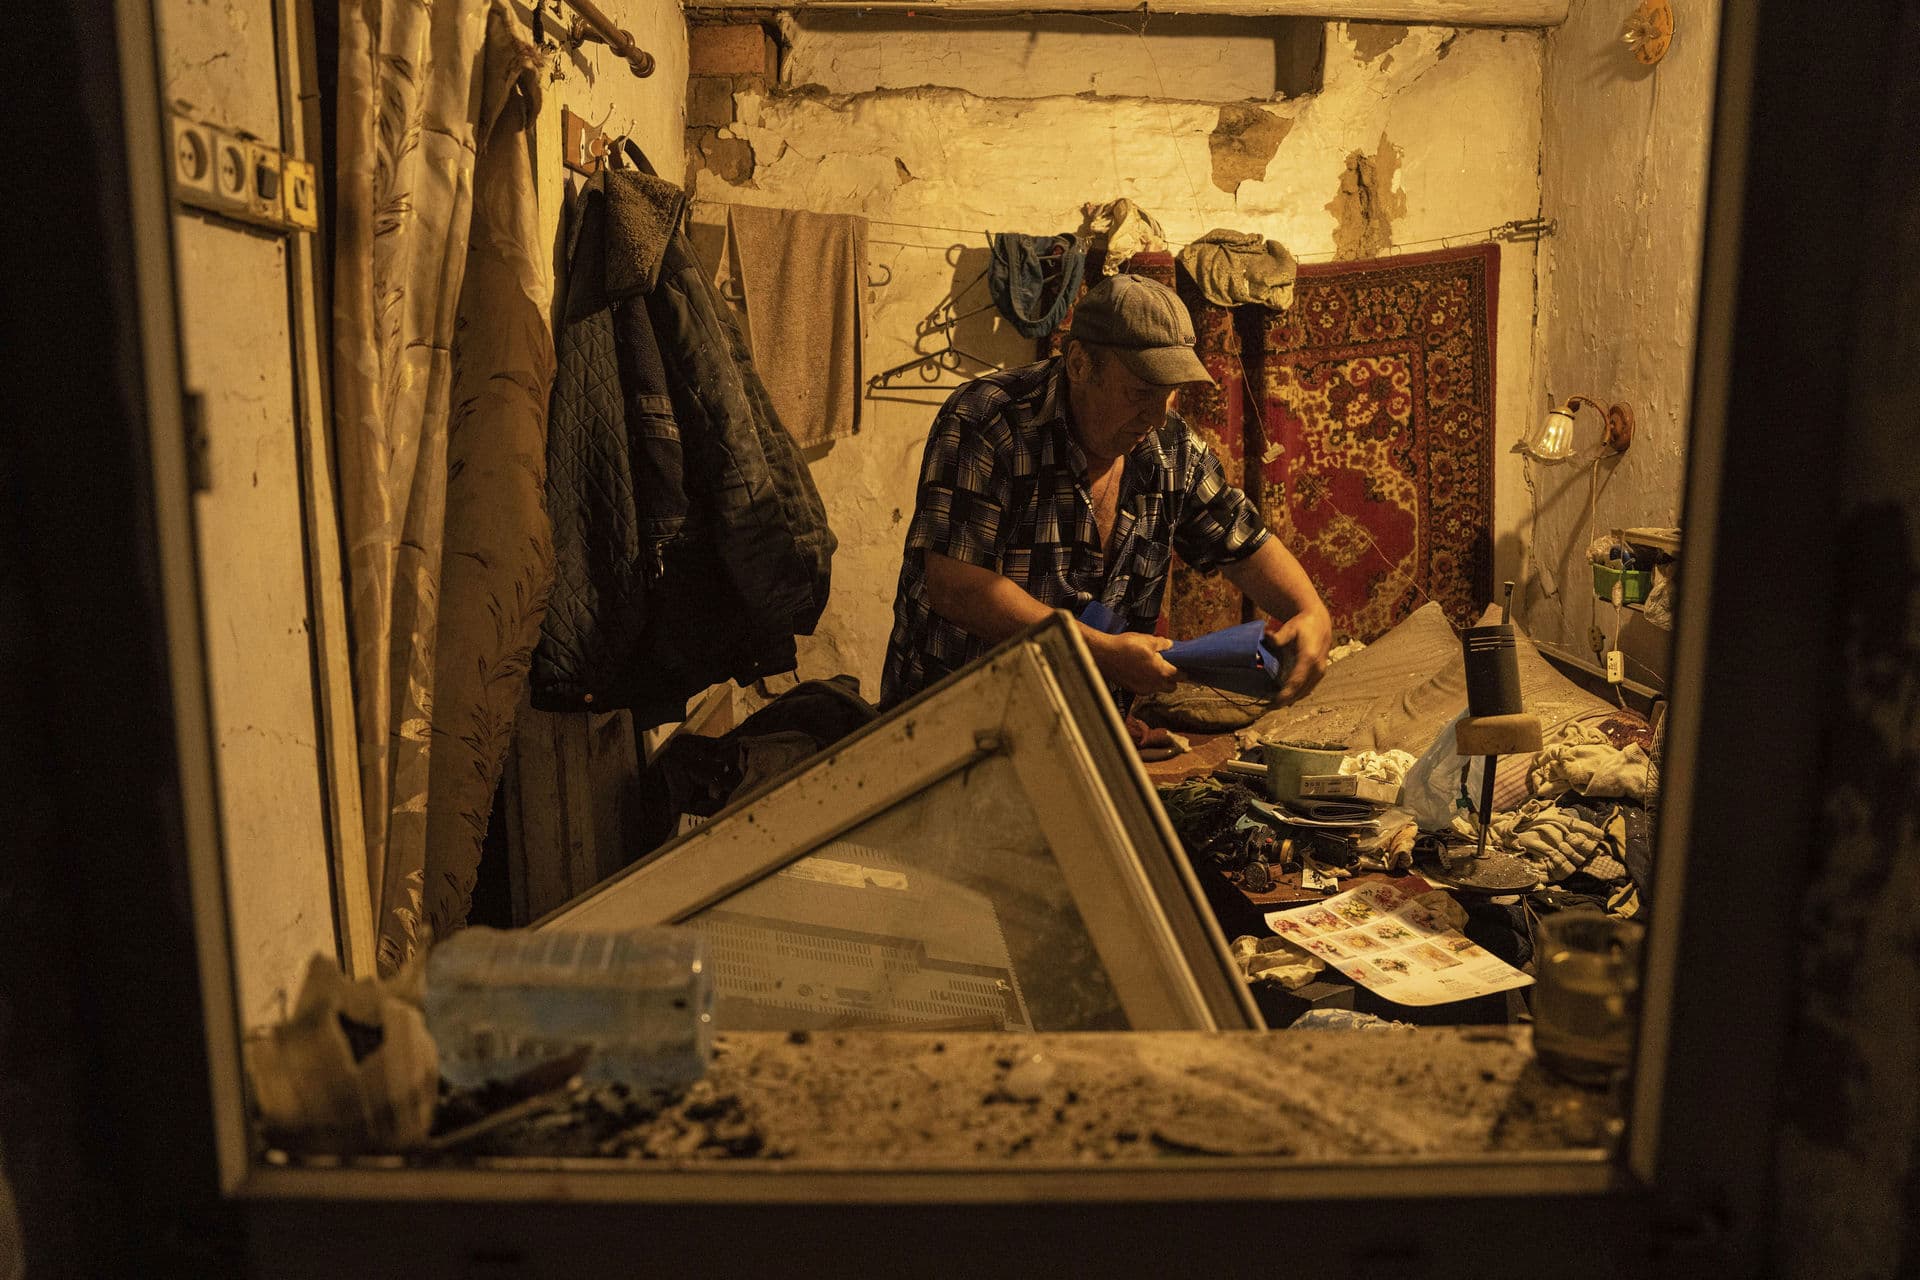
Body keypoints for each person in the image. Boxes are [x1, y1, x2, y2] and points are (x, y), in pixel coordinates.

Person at [879, 272, 1334, 710]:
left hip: (1084, 723)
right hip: (953, 722)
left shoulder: (1171, 448)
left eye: (1169, 394)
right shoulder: (988, 421)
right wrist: (1097, 651)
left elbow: (1241, 539)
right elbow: (957, 586)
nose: (1157, 417)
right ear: (1079, 363)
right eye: (1140, 392)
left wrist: (1311, 612)